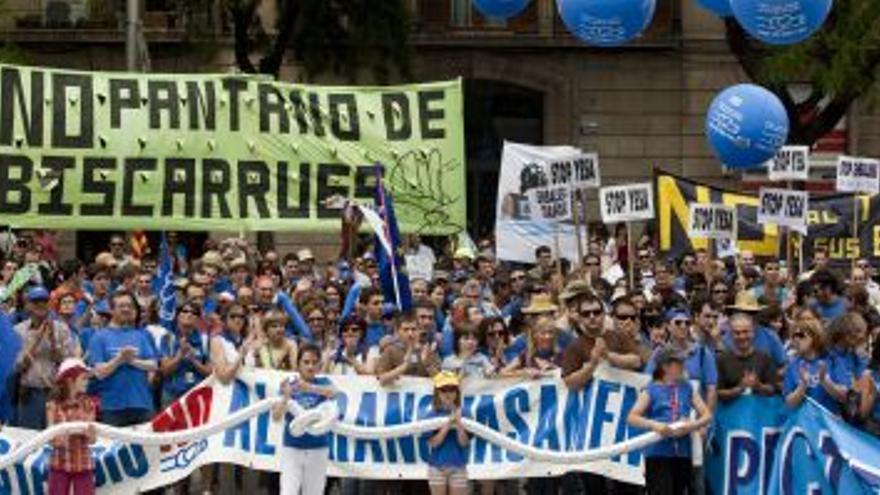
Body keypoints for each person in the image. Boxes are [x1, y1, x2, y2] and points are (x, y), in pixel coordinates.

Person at [627, 347, 712, 495]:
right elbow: (632, 417)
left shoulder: (687, 388)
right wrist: (655, 425)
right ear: (665, 366)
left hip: (683, 454)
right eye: (679, 363)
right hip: (658, 454)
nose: (683, 366)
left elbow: (706, 414)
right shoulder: (651, 389)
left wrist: (692, 426)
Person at [272, 343, 338, 495]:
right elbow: (276, 417)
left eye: (314, 362)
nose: (310, 366)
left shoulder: (324, 382)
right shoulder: (288, 384)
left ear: (320, 365)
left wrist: (308, 387)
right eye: (306, 362)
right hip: (292, 449)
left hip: (318, 449)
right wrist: (286, 397)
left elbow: (334, 393)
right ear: (298, 364)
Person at [87, 290, 159, 426]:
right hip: (112, 406)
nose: (126, 309)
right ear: (112, 310)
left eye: (129, 306)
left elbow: (153, 365)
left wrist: (131, 360)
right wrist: (119, 359)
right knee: (115, 447)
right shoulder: (99, 337)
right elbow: (100, 373)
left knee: (146, 446)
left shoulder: (142, 335)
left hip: (142, 403)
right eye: (121, 306)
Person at [14, 286, 79, 429]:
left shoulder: (62, 328)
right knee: (29, 439)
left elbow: (68, 364)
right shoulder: (18, 331)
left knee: (57, 440)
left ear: (49, 304)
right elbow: (19, 367)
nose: (40, 305)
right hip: (29, 393)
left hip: (57, 393)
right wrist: (36, 341)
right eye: (35, 301)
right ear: (27, 305)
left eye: (44, 300)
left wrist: (54, 343)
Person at [46, 358, 98, 495]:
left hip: (83, 463)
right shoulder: (52, 405)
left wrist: (88, 432)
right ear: (70, 381)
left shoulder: (89, 404)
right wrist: (61, 436)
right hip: (59, 464)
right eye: (83, 378)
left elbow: (92, 439)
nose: (87, 382)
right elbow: (51, 439)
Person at [717, 313, 779, 402]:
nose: (742, 336)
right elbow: (717, 393)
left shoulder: (765, 358)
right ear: (731, 335)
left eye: (745, 332)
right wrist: (739, 389)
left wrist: (758, 386)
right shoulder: (721, 360)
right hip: (730, 413)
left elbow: (773, 389)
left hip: (759, 413)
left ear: (753, 333)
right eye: (737, 333)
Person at [783, 320, 842, 412]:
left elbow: (842, 397)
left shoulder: (833, 360)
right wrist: (803, 386)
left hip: (829, 422)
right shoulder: (793, 364)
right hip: (802, 422)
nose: (796, 339)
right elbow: (789, 403)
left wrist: (824, 381)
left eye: (801, 335)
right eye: (794, 336)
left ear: (815, 337)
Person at [426, 371, 470, 495]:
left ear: (457, 392)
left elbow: (464, 443)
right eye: (443, 390)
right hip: (436, 466)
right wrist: (448, 424)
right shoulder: (431, 415)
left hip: (458, 466)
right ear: (437, 393)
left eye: (451, 389)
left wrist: (459, 423)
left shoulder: (465, 413)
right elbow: (434, 444)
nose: (448, 394)